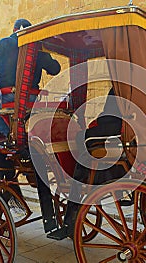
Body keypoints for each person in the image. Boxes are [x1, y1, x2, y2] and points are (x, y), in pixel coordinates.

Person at [48, 88, 123, 240]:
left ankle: (81, 183)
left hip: (114, 129)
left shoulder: (121, 86)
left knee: (81, 141)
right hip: (125, 132)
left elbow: (109, 117)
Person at [0, 18, 61, 137]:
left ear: (14, 30)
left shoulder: (5, 43)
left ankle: (9, 135)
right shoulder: (38, 47)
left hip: (9, 96)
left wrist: (3, 78)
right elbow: (55, 69)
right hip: (32, 98)